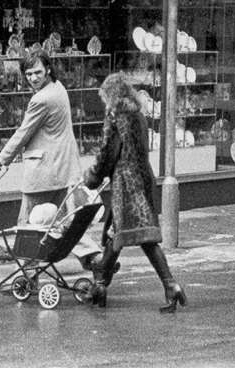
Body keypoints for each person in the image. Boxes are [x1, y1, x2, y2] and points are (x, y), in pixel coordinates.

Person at [82, 72, 185, 312]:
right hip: (142, 178)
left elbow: (108, 151)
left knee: (132, 235)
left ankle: (168, 284)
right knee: (123, 233)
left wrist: (92, 177)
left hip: (125, 184)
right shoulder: (138, 115)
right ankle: (102, 284)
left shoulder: (116, 116)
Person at [0, 52, 97, 265]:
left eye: (38, 72)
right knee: (63, 221)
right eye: (28, 73)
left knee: (29, 223)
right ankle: (94, 257)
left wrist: (1, 159)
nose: (33, 78)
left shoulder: (41, 99)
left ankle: (28, 274)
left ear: (48, 69)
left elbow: (24, 132)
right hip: (62, 168)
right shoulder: (58, 88)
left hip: (43, 170)